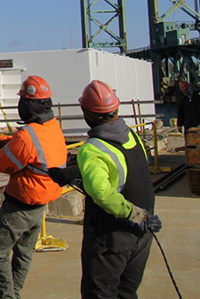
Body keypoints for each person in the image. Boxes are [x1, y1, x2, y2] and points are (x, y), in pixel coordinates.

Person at [48, 80, 161, 299]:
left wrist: (134, 214)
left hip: (112, 238)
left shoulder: (92, 148)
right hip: (142, 233)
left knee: (100, 294)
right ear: (116, 109)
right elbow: (118, 169)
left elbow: (102, 193)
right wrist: (69, 173)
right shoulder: (132, 136)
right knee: (126, 292)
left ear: (86, 113)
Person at [0, 75, 67, 299]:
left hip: (19, 207)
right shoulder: (51, 126)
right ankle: (14, 293)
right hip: (40, 206)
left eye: (22, 100)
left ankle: (7, 297)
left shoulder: (27, 135)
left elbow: (4, 163)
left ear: (30, 104)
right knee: (24, 252)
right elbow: (27, 144)